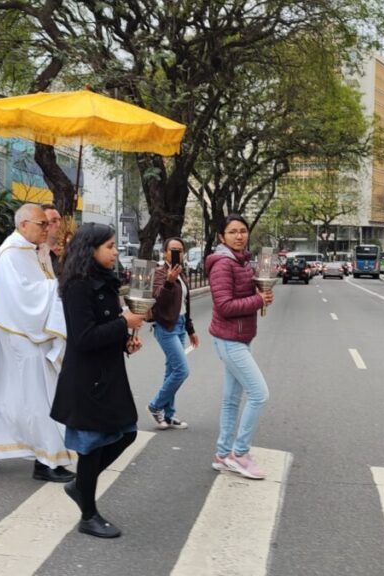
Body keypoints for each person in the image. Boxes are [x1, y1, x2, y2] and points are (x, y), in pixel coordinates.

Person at [0, 204, 74, 482]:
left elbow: (43, 283)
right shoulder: (11, 254)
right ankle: (46, 461)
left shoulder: (36, 250)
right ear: (23, 225)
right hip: (22, 335)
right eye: (41, 224)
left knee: (6, 394)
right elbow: (24, 295)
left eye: (48, 224)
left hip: (32, 332)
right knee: (38, 396)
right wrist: (60, 286)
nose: (46, 228)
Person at [51, 223, 144, 538]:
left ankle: (80, 485)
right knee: (91, 447)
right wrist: (123, 323)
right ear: (90, 249)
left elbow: (105, 327)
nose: (115, 252)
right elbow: (84, 337)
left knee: (126, 433)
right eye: (110, 246)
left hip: (108, 375)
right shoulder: (77, 285)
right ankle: (88, 515)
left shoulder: (104, 280)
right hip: (88, 380)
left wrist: (125, 341)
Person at [205, 215, 273, 480]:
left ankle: (223, 455)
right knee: (259, 394)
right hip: (229, 339)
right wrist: (258, 300)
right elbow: (224, 305)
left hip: (239, 337)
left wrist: (260, 293)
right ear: (222, 237)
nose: (239, 236)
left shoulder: (241, 261)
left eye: (243, 231)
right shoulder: (223, 264)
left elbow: (243, 295)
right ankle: (239, 454)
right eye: (232, 232)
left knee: (231, 400)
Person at [145, 236, 198, 430]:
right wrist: (168, 282)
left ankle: (169, 415)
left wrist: (190, 329)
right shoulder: (160, 273)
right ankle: (155, 406)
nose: (177, 254)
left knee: (171, 371)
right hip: (165, 327)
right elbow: (158, 301)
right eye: (173, 250)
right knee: (181, 370)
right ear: (165, 253)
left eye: (180, 250)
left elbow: (185, 304)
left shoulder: (181, 273)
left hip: (180, 325)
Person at [41, 203, 64, 277]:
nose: (59, 224)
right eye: (54, 221)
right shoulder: (35, 253)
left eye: (60, 220)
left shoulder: (69, 251)